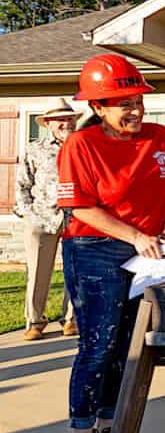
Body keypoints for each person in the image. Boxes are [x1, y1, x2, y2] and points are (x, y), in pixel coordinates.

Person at [58, 54, 165, 433]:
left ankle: (110, 429)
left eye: (137, 100)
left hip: (146, 251)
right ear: (97, 108)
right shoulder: (80, 145)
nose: (134, 110)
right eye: (122, 103)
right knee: (98, 345)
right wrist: (135, 235)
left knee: (128, 346)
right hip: (95, 249)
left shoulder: (161, 137)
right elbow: (80, 207)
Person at [16, 99, 79, 341]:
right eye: (60, 119)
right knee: (38, 272)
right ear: (49, 124)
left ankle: (71, 319)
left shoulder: (83, 146)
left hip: (77, 218)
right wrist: (27, 213)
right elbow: (23, 183)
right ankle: (34, 321)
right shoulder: (35, 149)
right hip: (41, 218)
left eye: (69, 118)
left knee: (75, 271)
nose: (66, 123)